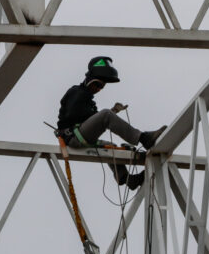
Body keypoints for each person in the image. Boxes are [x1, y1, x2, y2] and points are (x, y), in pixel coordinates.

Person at [55, 56, 165, 190]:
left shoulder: (88, 99)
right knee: (106, 114)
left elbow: (89, 117)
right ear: (90, 80)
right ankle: (144, 138)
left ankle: (126, 178)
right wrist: (108, 113)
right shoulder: (76, 92)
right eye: (97, 84)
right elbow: (74, 114)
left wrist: (110, 112)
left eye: (102, 86)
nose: (99, 89)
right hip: (73, 136)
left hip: (78, 135)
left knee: (110, 146)